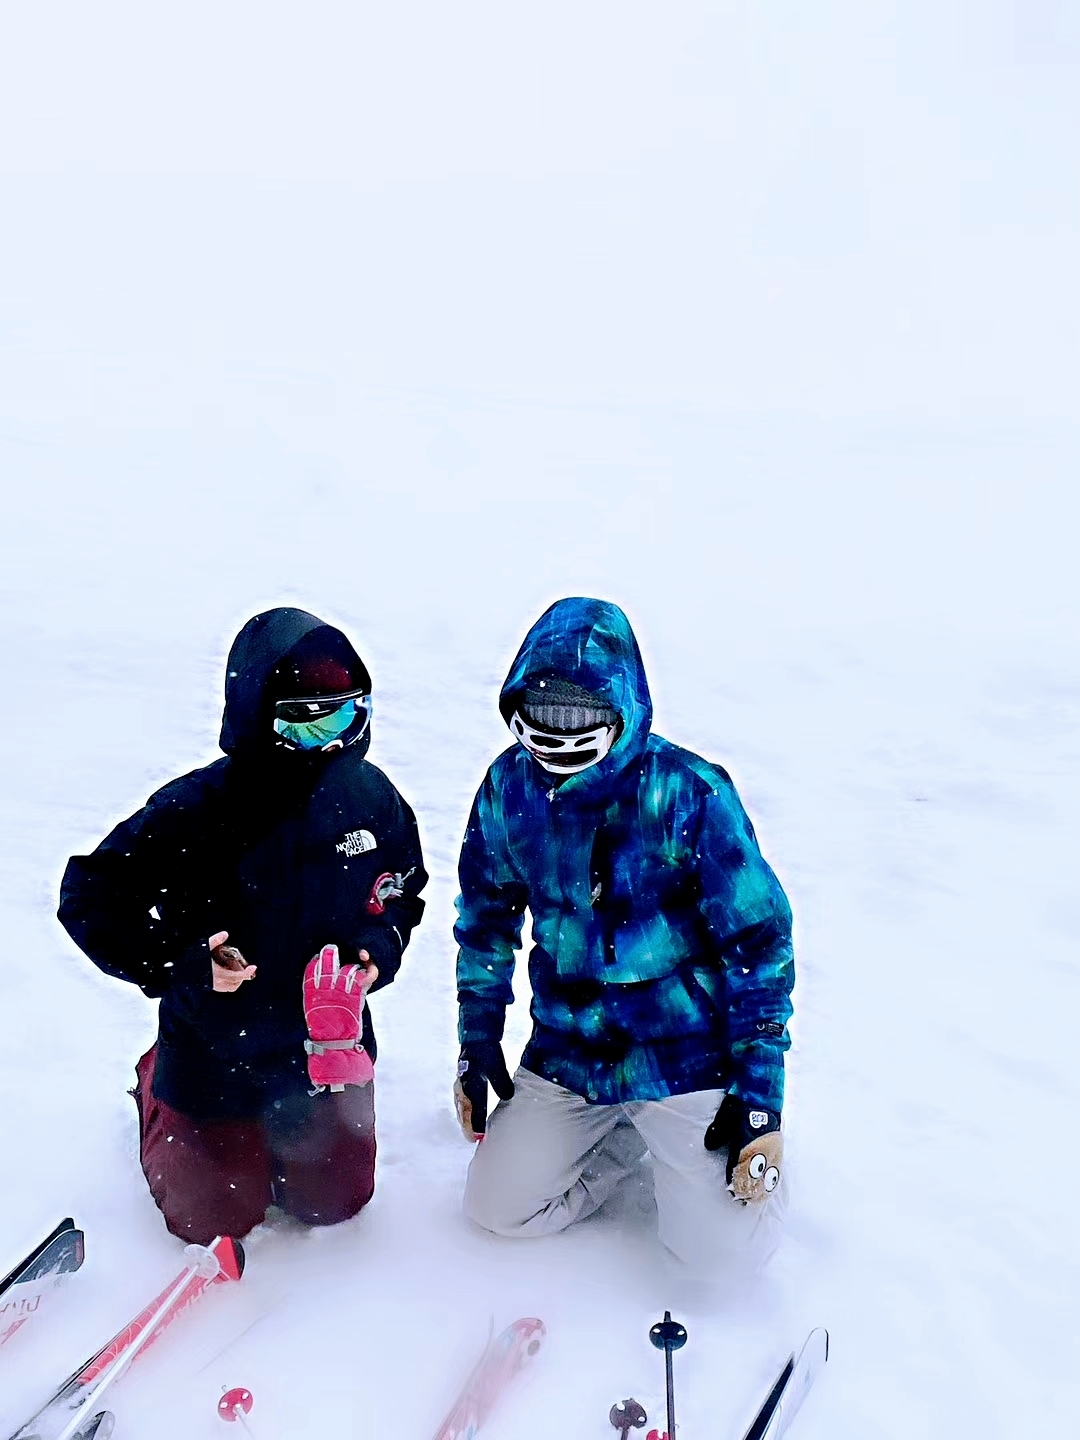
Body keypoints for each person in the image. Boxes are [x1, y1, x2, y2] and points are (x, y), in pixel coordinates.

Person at [59, 607, 427, 1245]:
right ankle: (156, 1090)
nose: (332, 742)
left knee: (336, 1202)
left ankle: (282, 1138)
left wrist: (375, 951)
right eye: (304, 722)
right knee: (211, 1220)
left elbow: (402, 892)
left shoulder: (372, 801)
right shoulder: (195, 812)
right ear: (257, 711)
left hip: (322, 1053)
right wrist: (175, 965)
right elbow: (90, 893)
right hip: (213, 1051)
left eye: (345, 715)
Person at [453, 597, 794, 1269]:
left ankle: (720, 1164)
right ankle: (617, 1144)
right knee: (496, 1210)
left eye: (579, 716)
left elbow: (760, 942)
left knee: (722, 1258)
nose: (557, 736)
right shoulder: (507, 790)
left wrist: (760, 1098)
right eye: (543, 714)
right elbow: (485, 923)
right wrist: (476, 1042)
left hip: (686, 1054)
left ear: (621, 708)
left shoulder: (688, 794)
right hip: (570, 1052)